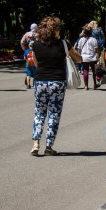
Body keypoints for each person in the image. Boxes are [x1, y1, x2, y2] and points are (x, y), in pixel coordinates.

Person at [30, 16, 82, 156]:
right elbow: (79, 59)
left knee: (39, 112)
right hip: (57, 82)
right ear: (56, 29)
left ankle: (35, 144)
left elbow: (36, 64)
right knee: (54, 113)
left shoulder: (35, 44)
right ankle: (48, 146)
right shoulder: (63, 44)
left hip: (40, 81)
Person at [78, 26, 99, 90]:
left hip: (84, 57)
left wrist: (79, 56)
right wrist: (97, 56)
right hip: (92, 57)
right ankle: (95, 84)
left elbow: (79, 50)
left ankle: (86, 85)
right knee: (94, 71)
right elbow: (96, 49)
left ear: (84, 32)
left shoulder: (81, 40)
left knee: (85, 70)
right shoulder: (94, 39)